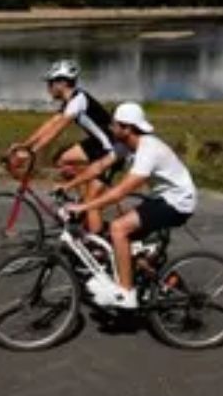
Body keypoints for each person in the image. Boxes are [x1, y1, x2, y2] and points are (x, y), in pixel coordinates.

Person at [69, 102, 196, 310]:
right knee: (124, 243)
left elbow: (120, 192)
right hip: (162, 198)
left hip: (178, 203)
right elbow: (99, 166)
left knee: (119, 228)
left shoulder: (148, 150)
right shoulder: (127, 145)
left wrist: (84, 207)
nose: (110, 127)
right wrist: (68, 185)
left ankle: (126, 293)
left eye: (115, 124)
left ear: (127, 129)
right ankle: (168, 283)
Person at [14, 59, 126, 234]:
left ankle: (96, 245)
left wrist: (32, 152)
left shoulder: (78, 101)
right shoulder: (71, 100)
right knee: (61, 158)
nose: (48, 87)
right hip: (98, 145)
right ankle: (83, 197)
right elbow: (51, 123)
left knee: (90, 203)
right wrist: (26, 144)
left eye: (51, 82)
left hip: (112, 150)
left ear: (63, 83)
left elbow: (57, 130)